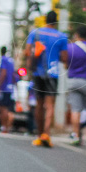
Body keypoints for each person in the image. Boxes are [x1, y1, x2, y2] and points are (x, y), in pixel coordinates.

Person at [23, 10, 69, 148]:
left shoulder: (35, 33)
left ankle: (39, 134)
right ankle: (46, 134)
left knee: (39, 104)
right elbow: (65, 57)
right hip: (53, 73)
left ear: (45, 20)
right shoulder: (62, 36)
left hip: (38, 72)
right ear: (56, 22)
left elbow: (27, 52)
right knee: (50, 105)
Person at [64, 26, 86, 146]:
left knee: (75, 109)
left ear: (76, 35)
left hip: (73, 80)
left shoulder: (69, 47)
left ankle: (75, 135)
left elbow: (65, 63)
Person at [0, 46, 16, 133]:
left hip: (4, 88)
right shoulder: (11, 61)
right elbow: (14, 75)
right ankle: (8, 126)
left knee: (3, 108)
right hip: (11, 88)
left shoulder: (3, 60)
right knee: (9, 109)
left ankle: (4, 127)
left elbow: (3, 73)